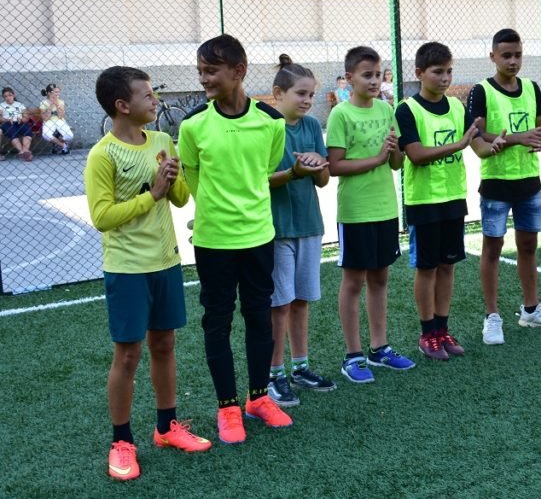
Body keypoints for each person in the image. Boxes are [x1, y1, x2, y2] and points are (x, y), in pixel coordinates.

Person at [85, 66, 211, 481]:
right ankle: (121, 441)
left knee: (165, 345)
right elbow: (102, 217)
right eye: (147, 95)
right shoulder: (102, 154)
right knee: (128, 354)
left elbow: (180, 199)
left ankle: (166, 427)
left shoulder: (161, 141)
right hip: (127, 269)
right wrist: (151, 193)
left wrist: (173, 179)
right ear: (122, 105)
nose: (155, 100)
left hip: (166, 262)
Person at [177, 34, 293, 445]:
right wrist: (214, 211)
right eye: (201, 71)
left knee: (260, 316)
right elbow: (192, 178)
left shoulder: (271, 121)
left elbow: (265, 170)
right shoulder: (193, 125)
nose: (204, 78)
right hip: (214, 241)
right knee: (218, 321)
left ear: (238, 71)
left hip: (259, 237)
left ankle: (258, 398)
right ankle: (227, 407)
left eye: (211, 71)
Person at [468, 28, 541, 345]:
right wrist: (518, 138)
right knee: (493, 248)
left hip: (528, 182)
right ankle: (492, 316)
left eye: (518, 55)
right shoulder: (481, 91)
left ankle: (531, 309)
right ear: (493, 57)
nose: (513, 61)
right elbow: (476, 135)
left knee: (528, 246)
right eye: (506, 55)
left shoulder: (532, 87)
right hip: (496, 182)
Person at [327, 46, 416, 381]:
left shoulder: (386, 108)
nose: (375, 81)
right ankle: (353, 356)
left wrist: (394, 152)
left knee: (380, 278)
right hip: (356, 211)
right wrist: (377, 158)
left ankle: (379, 348)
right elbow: (335, 166)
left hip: (385, 208)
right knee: (354, 282)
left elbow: (396, 163)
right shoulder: (340, 114)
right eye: (367, 75)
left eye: (378, 74)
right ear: (350, 79)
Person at [395, 42, 485, 360]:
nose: (445, 78)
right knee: (427, 268)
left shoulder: (457, 107)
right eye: (438, 72)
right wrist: (458, 144)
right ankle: (427, 334)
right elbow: (416, 155)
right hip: (424, 201)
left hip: (453, 197)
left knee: (447, 266)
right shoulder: (407, 109)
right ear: (419, 73)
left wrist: (501, 143)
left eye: (449, 71)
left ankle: (443, 330)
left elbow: (478, 145)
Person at [265, 55, 336, 406]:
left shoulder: (310, 127)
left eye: (311, 95)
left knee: (301, 300)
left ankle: (301, 367)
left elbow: (323, 179)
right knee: (280, 304)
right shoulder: (266, 128)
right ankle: (274, 374)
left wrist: (317, 166)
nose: (308, 101)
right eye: (301, 94)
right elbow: (260, 181)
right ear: (278, 93)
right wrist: (295, 171)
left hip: (309, 225)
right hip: (277, 229)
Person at [1, 86, 34, 161]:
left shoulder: (20, 104)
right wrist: (6, 119)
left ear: (13, 95)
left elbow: (26, 117)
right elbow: (0, 118)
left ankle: (25, 151)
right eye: (5, 96)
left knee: (27, 132)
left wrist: (21, 119)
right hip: (8, 123)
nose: (8, 98)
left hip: (20, 122)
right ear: (3, 97)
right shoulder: (2, 105)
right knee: (13, 133)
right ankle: (22, 152)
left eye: (10, 95)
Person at [40, 83, 73, 154]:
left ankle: (57, 143)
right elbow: (45, 118)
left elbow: (61, 116)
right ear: (49, 93)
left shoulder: (60, 102)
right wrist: (51, 105)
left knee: (69, 136)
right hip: (49, 121)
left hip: (59, 120)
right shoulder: (44, 103)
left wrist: (57, 105)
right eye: (55, 92)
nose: (57, 94)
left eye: (58, 92)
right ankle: (63, 145)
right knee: (46, 135)